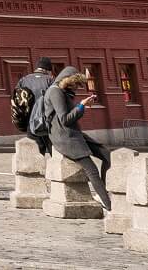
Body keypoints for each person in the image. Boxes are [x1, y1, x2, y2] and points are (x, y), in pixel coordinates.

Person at [39, 66, 112, 210]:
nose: (76, 88)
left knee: (107, 155)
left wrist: (82, 105)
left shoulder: (62, 91)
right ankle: (108, 204)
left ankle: (103, 191)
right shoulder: (55, 92)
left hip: (75, 133)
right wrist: (81, 106)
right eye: (75, 84)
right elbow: (65, 119)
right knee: (91, 170)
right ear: (67, 80)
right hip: (65, 137)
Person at [12, 58, 57, 155]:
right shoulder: (50, 80)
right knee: (55, 154)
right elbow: (56, 100)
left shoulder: (24, 80)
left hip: (31, 123)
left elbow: (16, 100)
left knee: (36, 156)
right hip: (48, 123)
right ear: (48, 70)